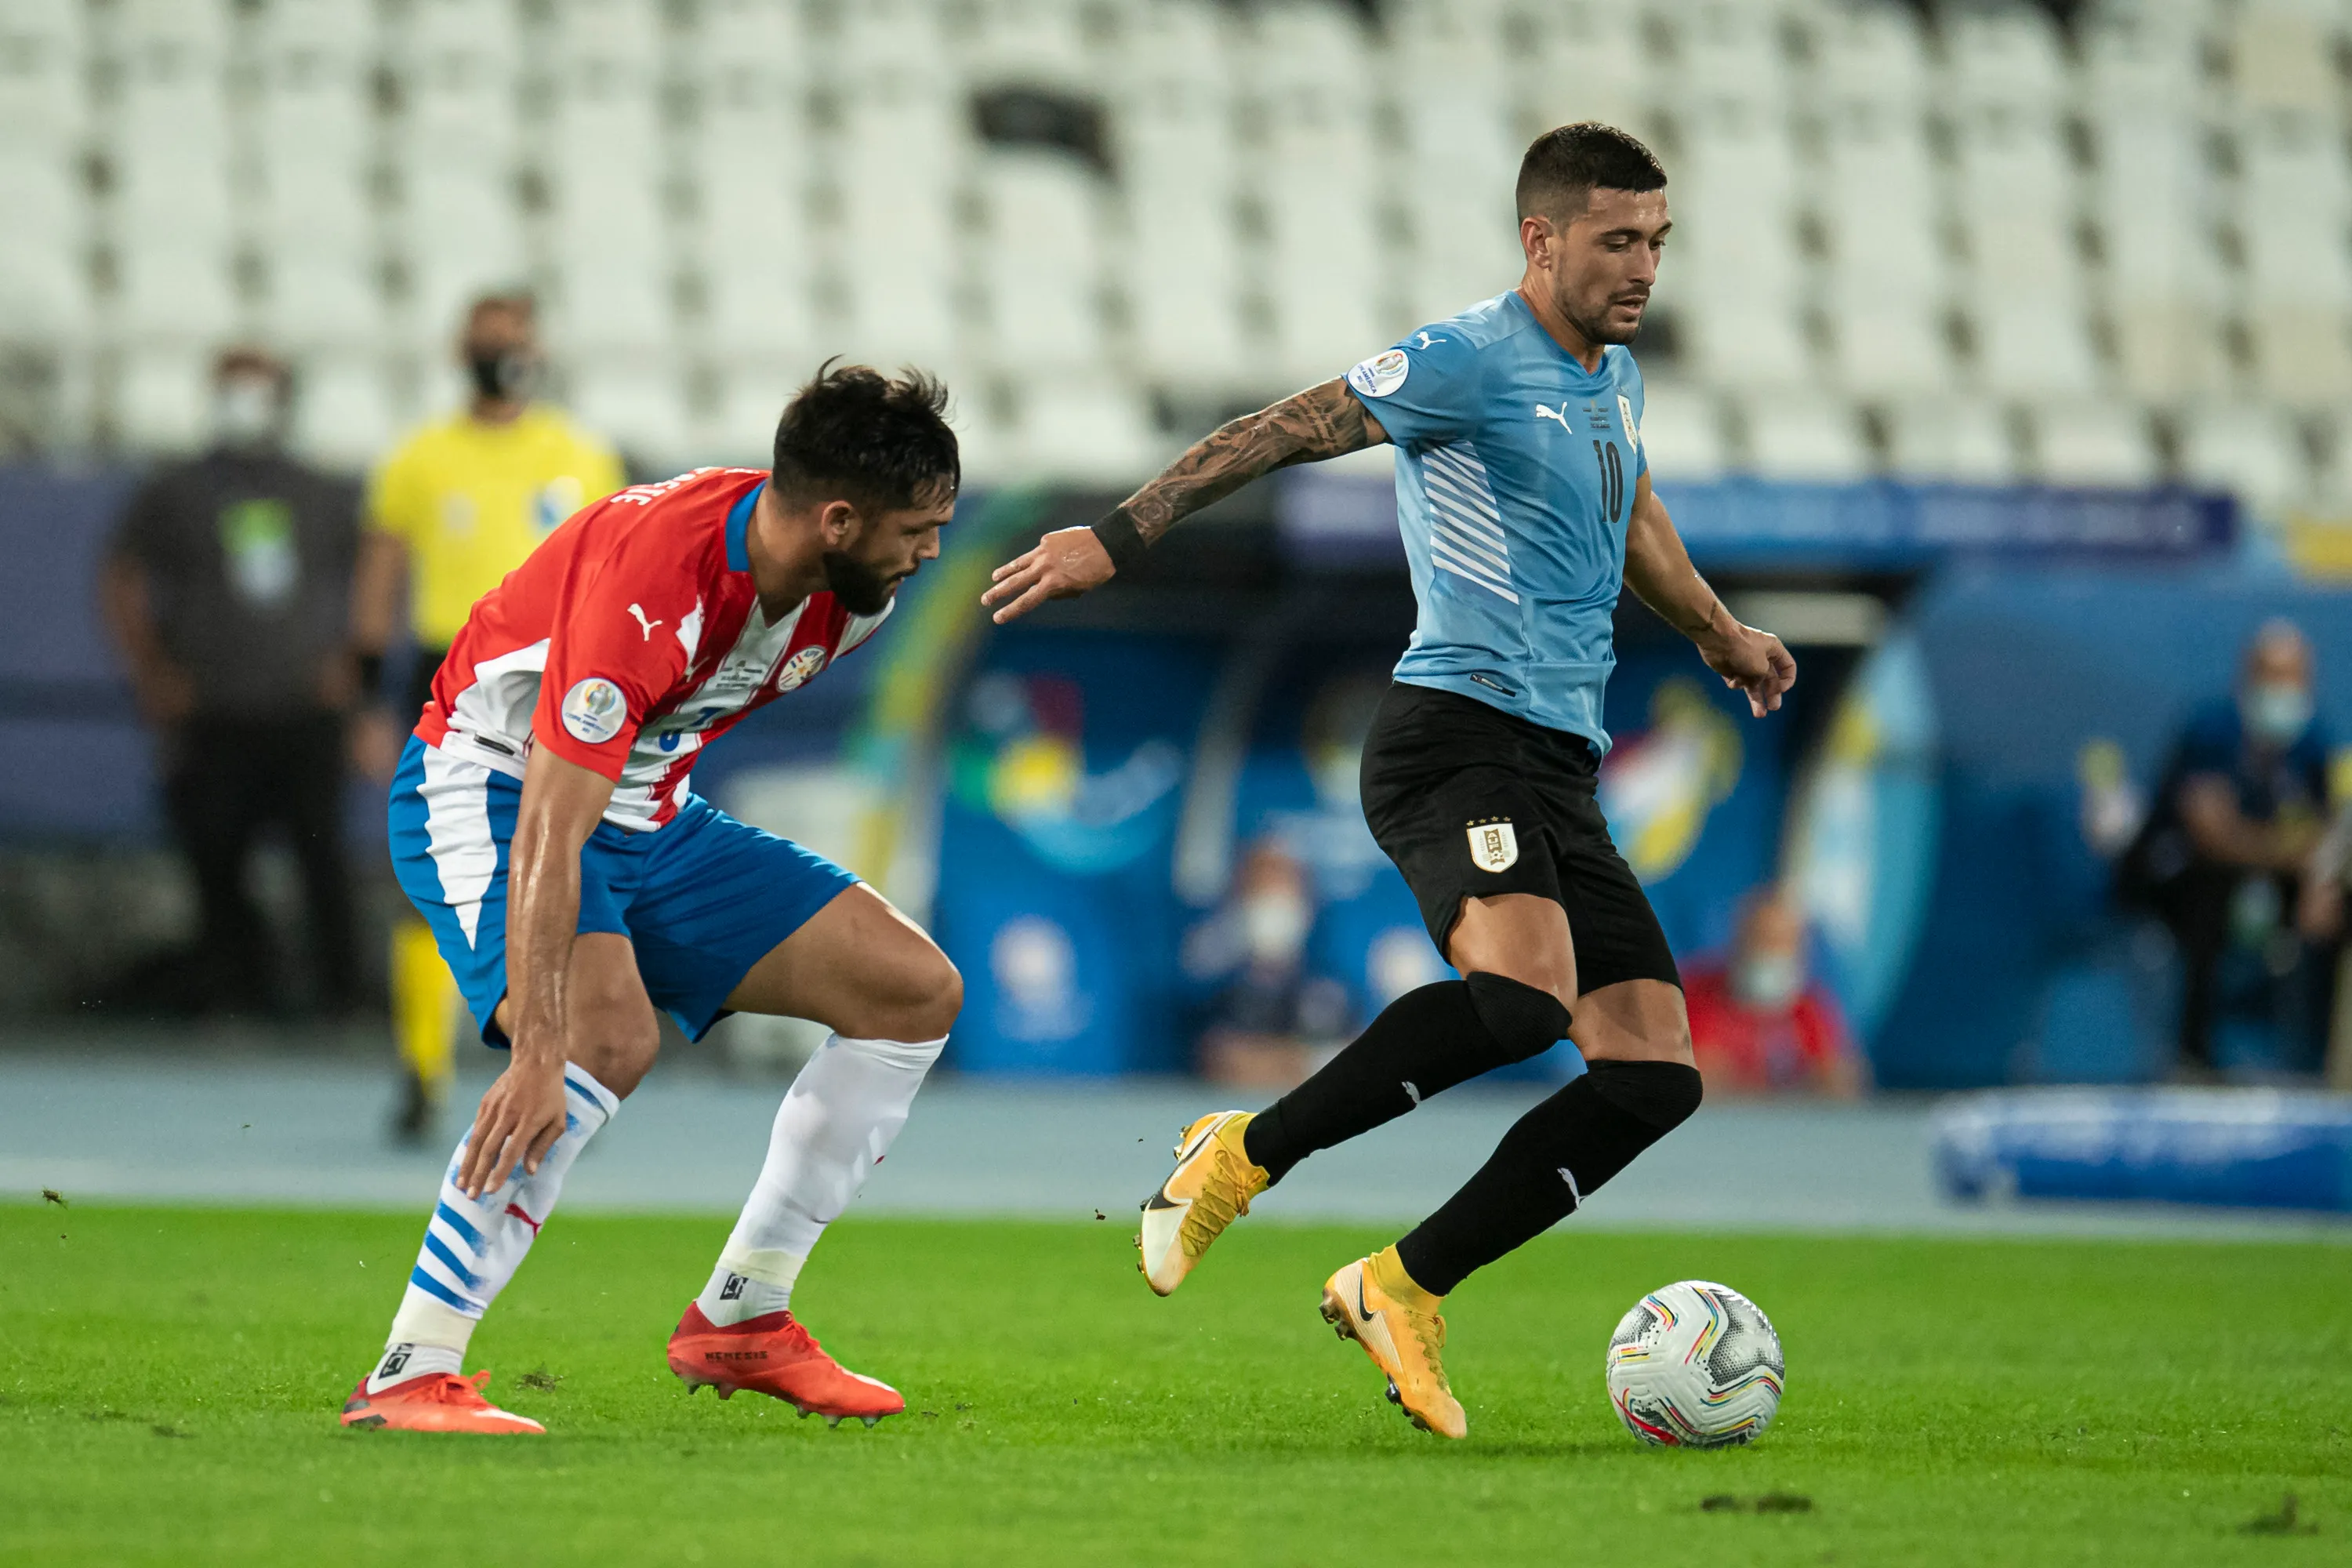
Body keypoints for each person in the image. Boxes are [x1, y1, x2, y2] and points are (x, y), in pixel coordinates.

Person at [984, 123, 1795, 1439]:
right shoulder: (1469, 356)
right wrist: (1121, 535)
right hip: (1449, 733)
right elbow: (1286, 426)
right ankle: (1242, 1156)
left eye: (1657, 241)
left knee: (1653, 1073)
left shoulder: (1616, 378)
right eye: (1616, 240)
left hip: (1557, 763)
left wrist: (1716, 631)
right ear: (1541, 242)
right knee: (1526, 1000)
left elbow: (1631, 507)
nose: (1644, 266)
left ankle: (1403, 1284)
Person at [337, 364, 964, 1436]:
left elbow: (638, 767)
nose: (931, 551)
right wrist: (538, 1047)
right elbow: (548, 818)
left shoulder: (847, 594)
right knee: (597, 1038)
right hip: (488, 788)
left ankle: (745, 1315)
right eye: (918, 527)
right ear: (839, 518)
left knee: (910, 989)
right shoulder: (655, 583)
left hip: (648, 810)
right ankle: (410, 1367)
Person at [350, 292, 626, 1139]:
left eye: (514, 337)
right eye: (488, 338)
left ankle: (563, 1061)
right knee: (438, 870)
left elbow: (617, 575)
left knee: (562, 865)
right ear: (462, 348)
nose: (501, 351)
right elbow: (379, 579)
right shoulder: (419, 459)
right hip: (453, 671)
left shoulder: (581, 455)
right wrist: (368, 698)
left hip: (560, 672)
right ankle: (423, 1068)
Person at [99, 347, 364, 1016]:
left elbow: (370, 580)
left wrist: (352, 670)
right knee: (216, 858)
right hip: (212, 711)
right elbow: (120, 578)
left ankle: (341, 999)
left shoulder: (319, 489)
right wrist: (152, 672)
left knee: (321, 860)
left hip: (304, 710)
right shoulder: (176, 489)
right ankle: (236, 992)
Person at [2123, 620, 2336, 1078]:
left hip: (2256, 880)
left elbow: (2323, 834)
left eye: (2294, 677)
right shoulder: (2211, 730)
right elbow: (2211, 839)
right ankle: (2193, 1057)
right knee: (2212, 886)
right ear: (2248, 677)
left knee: (2334, 899)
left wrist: (2316, 877)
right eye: (2272, 675)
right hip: (2172, 878)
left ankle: (2323, 1058)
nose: (2283, 689)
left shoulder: (2313, 741)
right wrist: (2282, 849)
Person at [1680, 887, 1863, 1098]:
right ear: (1738, 940)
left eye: (1780, 942)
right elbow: (1695, 1080)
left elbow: (1841, 1082)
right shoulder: (1694, 998)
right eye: (1760, 938)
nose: (1769, 951)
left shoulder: (1808, 1010)